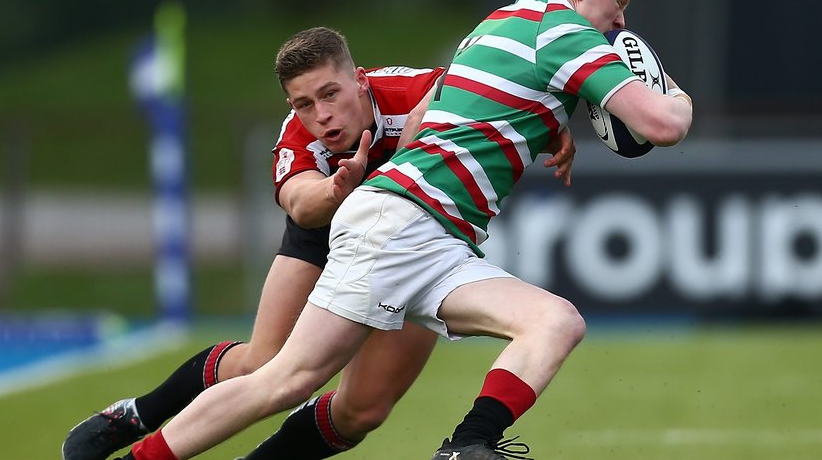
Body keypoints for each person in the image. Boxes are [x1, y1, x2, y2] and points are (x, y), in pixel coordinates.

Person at [117, 0, 692, 460]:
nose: (618, 26)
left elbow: (461, 110)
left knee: (555, 321)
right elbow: (661, 127)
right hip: (401, 223)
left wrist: (554, 123)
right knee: (284, 379)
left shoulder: (498, 24)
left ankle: (467, 446)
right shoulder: (563, 27)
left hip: (438, 239)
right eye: (617, 5)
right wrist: (676, 97)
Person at [62, 27, 577, 460]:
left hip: (418, 242)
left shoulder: (417, 92)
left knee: (364, 411)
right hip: (326, 233)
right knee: (265, 365)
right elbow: (302, 204)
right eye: (303, 104)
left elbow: (491, 98)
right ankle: (138, 414)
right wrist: (339, 187)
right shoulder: (298, 135)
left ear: (359, 81)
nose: (321, 115)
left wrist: (553, 126)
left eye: (330, 95)